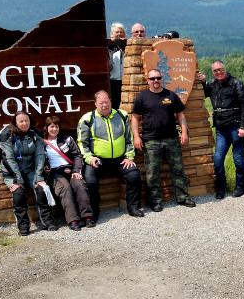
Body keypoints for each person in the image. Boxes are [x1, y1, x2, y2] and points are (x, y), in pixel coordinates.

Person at [131, 69, 196, 211]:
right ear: (147, 80)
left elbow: (181, 115)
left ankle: (183, 197)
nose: (155, 81)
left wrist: (184, 132)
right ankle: (155, 201)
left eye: (158, 78)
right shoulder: (142, 97)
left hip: (172, 139)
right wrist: (136, 136)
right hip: (151, 141)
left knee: (178, 170)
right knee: (152, 173)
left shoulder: (171, 95)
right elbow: (135, 118)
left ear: (162, 79)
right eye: (152, 78)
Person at [78, 90, 143, 219]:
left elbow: (129, 138)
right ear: (95, 103)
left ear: (110, 101)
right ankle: (93, 213)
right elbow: (81, 143)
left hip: (120, 159)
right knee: (90, 182)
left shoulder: (122, 115)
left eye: (106, 102)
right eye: (101, 103)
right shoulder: (87, 119)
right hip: (97, 159)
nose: (104, 105)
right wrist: (89, 158)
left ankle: (133, 207)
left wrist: (129, 156)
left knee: (134, 175)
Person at [197, 60, 244, 199]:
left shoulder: (236, 84)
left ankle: (240, 187)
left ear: (225, 69)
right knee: (217, 159)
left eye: (220, 69)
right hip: (221, 129)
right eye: (215, 71)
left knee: (238, 159)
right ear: (213, 72)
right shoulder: (212, 84)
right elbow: (203, 94)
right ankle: (220, 188)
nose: (218, 72)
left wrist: (243, 127)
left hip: (236, 127)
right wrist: (203, 82)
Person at [0, 111, 56, 236]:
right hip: (11, 172)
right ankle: (23, 226)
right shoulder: (6, 135)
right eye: (21, 121)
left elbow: (40, 156)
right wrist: (17, 180)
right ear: (15, 123)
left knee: (41, 189)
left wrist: (39, 177)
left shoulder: (36, 134)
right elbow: (8, 159)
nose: (24, 123)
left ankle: (47, 221)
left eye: (27, 121)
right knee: (18, 194)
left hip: (30, 169)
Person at [43, 116, 95, 231]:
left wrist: (76, 171)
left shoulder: (67, 139)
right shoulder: (42, 143)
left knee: (80, 185)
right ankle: (73, 219)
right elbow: (39, 159)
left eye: (56, 126)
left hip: (70, 169)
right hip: (55, 172)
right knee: (65, 188)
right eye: (51, 126)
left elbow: (77, 155)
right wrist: (44, 167)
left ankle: (87, 216)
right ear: (46, 128)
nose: (54, 129)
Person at [108, 22, 127, 109]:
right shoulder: (109, 46)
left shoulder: (128, 45)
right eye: (117, 32)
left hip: (126, 79)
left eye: (121, 32)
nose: (119, 34)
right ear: (112, 34)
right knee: (114, 103)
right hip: (113, 80)